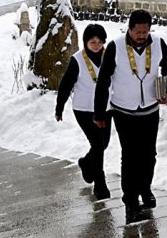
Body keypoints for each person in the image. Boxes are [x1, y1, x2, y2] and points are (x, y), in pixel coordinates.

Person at [94, 9, 167, 225]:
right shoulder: (115, 47)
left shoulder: (158, 43)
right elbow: (103, 81)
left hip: (149, 108)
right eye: (138, 31)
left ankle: (145, 189)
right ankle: (130, 202)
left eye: (145, 31)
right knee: (130, 156)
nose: (142, 35)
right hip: (123, 110)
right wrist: (99, 112)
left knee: (149, 154)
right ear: (129, 29)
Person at [55, 23, 112, 200]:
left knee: (103, 143)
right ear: (86, 41)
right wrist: (60, 106)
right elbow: (66, 84)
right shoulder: (77, 60)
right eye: (92, 41)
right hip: (84, 109)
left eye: (99, 41)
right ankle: (100, 183)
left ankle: (86, 162)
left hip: (106, 108)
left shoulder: (109, 56)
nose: (96, 45)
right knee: (97, 144)